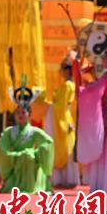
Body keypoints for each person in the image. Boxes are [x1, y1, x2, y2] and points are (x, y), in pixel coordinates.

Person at [77, 38, 107, 196]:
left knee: (106, 149)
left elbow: (92, 91)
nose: (103, 60)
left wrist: (81, 82)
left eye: (105, 58)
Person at [0, 78, 54, 194]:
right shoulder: (10, 131)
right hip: (16, 162)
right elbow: (1, 146)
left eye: (23, 112)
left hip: (30, 162)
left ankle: (32, 185)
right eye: (18, 113)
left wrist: (37, 154)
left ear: (29, 115)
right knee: (24, 157)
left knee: (28, 157)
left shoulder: (34, 131)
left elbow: (48, 143)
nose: (20, 115)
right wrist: (12, 155)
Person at [45, 54, 79, 188]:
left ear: (67, 70)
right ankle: (65, 177)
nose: (60, 71)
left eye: (62, 68)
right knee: (64, 146)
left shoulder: (68, 85)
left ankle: (67, 178)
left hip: (63, 119)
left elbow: (61, 105)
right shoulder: (69, 85)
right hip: (62, 117)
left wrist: (49, 105)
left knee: (65, 147)